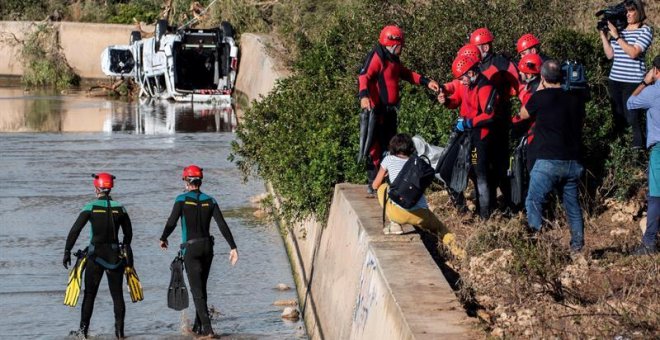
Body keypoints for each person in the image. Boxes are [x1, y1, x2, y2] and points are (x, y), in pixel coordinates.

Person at [358, 25, 440, 194]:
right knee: (374, 147)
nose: (402, 47)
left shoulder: (392, 59)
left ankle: (388, 180)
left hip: (389, 110)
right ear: (393, 44)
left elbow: (406, 73)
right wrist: (364, 96)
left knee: (391, 145)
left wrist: (426, 81)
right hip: (376, 111)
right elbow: (364, 76)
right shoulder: (377, 57)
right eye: (400, 44)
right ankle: (373, 183)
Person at [160, 165, 239, 336]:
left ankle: (209, 331)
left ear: (187, 181)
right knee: (201, 288)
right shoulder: (210, 200)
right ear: (200, 181)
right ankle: (197, 327)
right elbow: (222, 224)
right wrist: (233, 246)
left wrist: (163, 237)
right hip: (207, 248)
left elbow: (172, 222)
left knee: (197, 292)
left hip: (191, 249)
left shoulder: (181, 199)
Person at [519, 60, 587, 253]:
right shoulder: (575, 98)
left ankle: (539, 247)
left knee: (533, 201)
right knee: (572, 206)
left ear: (542, 77)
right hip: (573, 162)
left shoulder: (539, 98)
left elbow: (522, 114)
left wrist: (538, 90)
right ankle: (577, 248)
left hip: (548, 160)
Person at [63, 173, 133, 338]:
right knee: (117, 296)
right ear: (110, 188)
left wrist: (67, 251)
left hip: (95, 256)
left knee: (89, 294)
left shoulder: (91, 207)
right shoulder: (120, 208)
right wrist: (124, 247)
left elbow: (75, 230)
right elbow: (129, 234)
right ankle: (119, 334)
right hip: (115, 257)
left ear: (97, 189)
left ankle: (83, 332)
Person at [372, 133, 464, 257]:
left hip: (398, 213)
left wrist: (385, 175)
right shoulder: (417, 162)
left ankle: (394, 224)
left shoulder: (388, 159)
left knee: (382, 188)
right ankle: (462, 254)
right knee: (440, 228)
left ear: (392, 147)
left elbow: (375, 185)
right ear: (411, 148)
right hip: (421, 213)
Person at [438, 55, 498, 219]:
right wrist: (447, 102)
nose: (461, 82)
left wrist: (468, 123)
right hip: (470, 135)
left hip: (481, 139)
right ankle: (475, 211)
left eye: (462, 78)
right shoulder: (470, 85)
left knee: (480, 174)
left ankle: (485, 216)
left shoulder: (484, 86)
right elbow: (459, 101)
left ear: (471, 73)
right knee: (470, 171)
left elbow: (489, 115)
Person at [470, 27, 520, 210]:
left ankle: (502, 205)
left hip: (493, 124)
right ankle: (498, 204)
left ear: (484, 47)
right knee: (484, 165)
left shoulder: (499, 63)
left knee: (494, 166)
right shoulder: (494, 63)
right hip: (488, 123)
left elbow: (517, 84)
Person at [599, 0, 653, 149]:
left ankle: (637, 154)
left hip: (633, 82)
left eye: (631, 11)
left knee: (632, 118)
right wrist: (604, 35)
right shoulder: (620, 29)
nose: (627, 14)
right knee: (618, 117)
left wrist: (616, 36)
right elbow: (610, 55)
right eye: (626, 11)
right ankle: (621, 153)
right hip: (615, 80)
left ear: (639, 12)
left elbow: (634, 53)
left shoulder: (645, 30)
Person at [627, 55, 660, 255]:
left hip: (659, 149)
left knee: (656, 196)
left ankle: (648, 243)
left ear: (656, 71)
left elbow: (631, 102)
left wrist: (644, 82)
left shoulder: (652, 92)